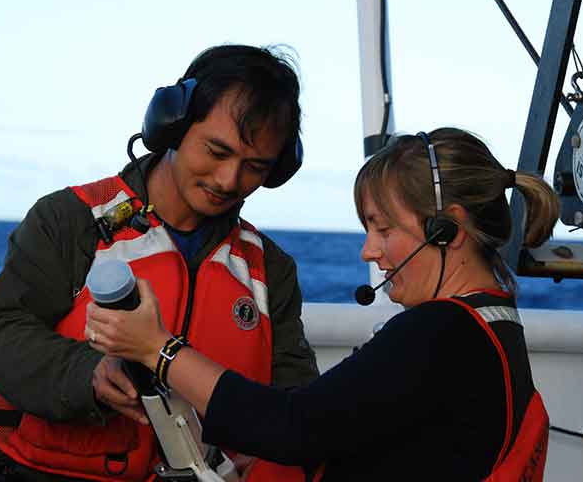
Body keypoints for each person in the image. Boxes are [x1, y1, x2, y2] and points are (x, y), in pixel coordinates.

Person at [85, 128, 557, 481]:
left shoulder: (441, 331)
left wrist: (158, 350)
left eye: (384, 229)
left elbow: (295, 427)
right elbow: (351, 424)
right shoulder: (493, 322)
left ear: (447, 229)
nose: (368, 251)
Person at [0, 44, 319, 481]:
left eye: (254, 166)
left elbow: (296, 407)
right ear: (172, 125)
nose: (229, 180)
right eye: (216, 150)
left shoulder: (272, 270)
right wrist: (89, 373)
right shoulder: (69, 219)